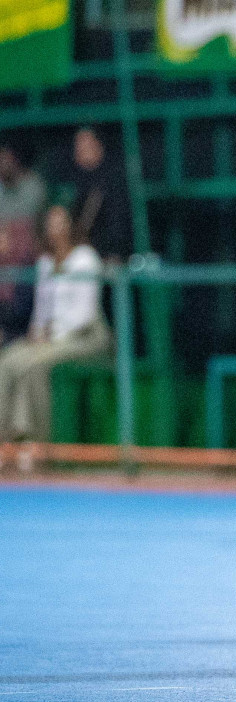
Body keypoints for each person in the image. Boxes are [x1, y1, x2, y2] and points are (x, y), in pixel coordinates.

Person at [0, 205, 111, 471]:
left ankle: (38, 445)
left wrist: (48, 339)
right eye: (50, 223)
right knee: (7, 361)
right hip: (52, 337)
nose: (55, 229)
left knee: (33, 365)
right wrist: (36, 332)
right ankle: (5, 441)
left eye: (60, 222)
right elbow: (41, 309)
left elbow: (83, 314)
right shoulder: (45, 263)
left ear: (71, 225)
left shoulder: (86, 258)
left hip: (86, 336)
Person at [59, 127, 131, 263]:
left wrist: (111, 254)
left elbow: (118, 226)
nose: (81, 149)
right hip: (75, 256)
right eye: (78, 145)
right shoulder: (70, 180)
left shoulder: (113, 180)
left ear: (99, 145)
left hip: (107, 257)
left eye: (86, 144)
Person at [0, 144, 46, 343]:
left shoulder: (34, 186)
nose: (3, 165)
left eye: (6, 160)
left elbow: (32, 230)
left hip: (28, 259)